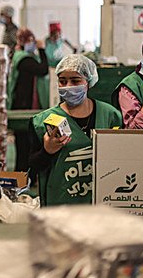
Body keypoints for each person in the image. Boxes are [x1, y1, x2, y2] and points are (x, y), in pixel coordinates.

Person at [28, 55, 122, 206]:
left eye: (75, 81)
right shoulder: (42, 122)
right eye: (63, 81)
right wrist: (46, 151)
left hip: (102, 206)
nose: (68, 86)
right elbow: (33, 166)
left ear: (88, 82)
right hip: (61, 207)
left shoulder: (111, 116)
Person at [7, 28, 49, 110]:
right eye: (30, 41)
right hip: (24, 101)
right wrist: (41, 50)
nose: (33, 44)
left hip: (22, 99)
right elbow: (43, 70)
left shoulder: (19, 56)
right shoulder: (24, 59)